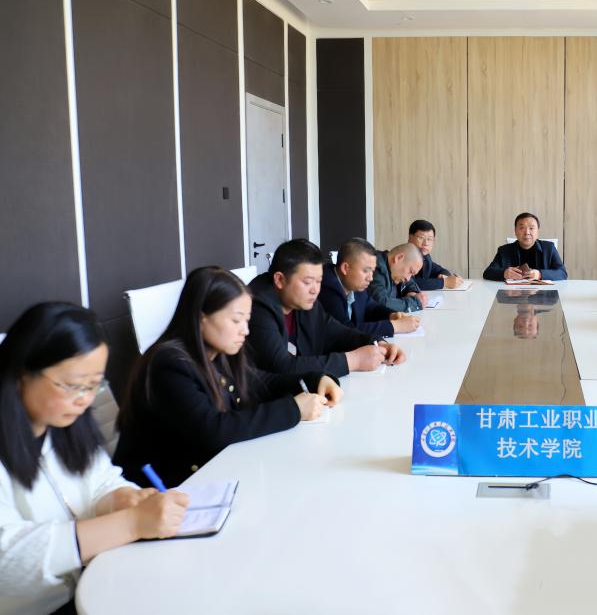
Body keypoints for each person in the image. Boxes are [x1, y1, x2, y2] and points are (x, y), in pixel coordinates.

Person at [0, 302, 188, 614]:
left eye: (93, 385)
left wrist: (121, 498)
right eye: (73, 385)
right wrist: (131, 523)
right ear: (22, 373)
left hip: (94, 585)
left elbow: (101, 479)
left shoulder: (64, 425)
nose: (85, 400)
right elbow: (8, 558)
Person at [115, 267, 340, 489]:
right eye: (236, 320)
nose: (245, 331)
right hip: (165, 491)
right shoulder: (168, 364)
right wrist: (294, 409)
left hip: (212, 473)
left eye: (247, 321)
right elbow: (213, 430)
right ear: (202, 317)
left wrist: (316, 379)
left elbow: (262, 383)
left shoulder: (217, 353)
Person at [248, 239, 402, 377]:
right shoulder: (257, 306)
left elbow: (337, 332)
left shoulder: (303, 301)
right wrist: (352, 361)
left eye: (318, 281)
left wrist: (376, 343)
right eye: (308, 282)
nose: (315, 290)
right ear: (280, 280)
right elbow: (281, 367)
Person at [320, 238, 420, 340]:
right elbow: (344, 331)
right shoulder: (327, 288)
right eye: (366, 271)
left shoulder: (355, 283)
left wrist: (392, 315)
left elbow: (371, 307)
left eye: (372, 271)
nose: (370, 278)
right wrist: (394, 326)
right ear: (345, 268)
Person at [482, 212, 568, 281]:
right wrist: (504, 273)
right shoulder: (504, 250)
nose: (527, 232)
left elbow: (562, 273)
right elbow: (487, 273)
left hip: (542, 294)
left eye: (531, 228)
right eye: (522, 228)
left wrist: (540, 274)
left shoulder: (549, 248)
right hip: (512, 293)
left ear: (537, 232)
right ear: (515, 231)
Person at [368, 242, 429, 313]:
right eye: (410, 271)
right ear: (398, 258)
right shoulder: (375, 269)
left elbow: (410, 283)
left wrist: (412, 292)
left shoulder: (394, 270)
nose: (408, 278)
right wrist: (416, 303)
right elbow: (381, 304)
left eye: (412, 275)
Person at [408, 219, 464, 291]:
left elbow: (441, 270)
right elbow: (410, 284)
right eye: (421, 238)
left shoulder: (426, 258)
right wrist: (444, 282)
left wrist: (445, 276)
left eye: (429, 239)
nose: (426, 243)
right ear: (410, 238)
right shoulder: (404, 258)